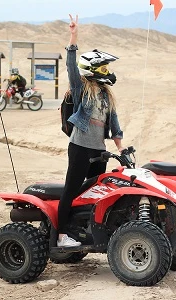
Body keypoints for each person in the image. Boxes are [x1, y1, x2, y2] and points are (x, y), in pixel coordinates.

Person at [57, 14, 124, 247]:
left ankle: (85, 229)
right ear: (93, 68)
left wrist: (121, 149)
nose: (107, 71)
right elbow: (70, 67)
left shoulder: (106, 94)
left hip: (99, 151)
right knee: (72, 189)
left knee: (96, 192)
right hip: (80, 147)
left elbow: (114, 124)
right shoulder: (80, 89)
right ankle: (61, 234)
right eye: (103, 67)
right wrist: (74, 36)